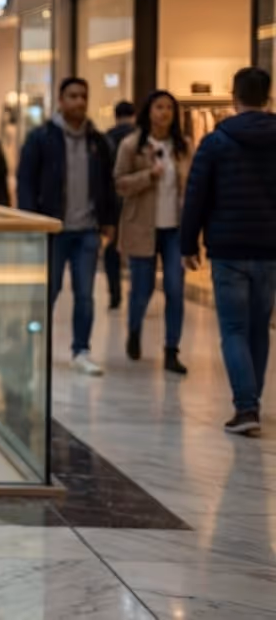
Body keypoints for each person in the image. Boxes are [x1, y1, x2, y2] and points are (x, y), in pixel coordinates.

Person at [181, 67, 276, 437]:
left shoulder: (216, 142)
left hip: (228, 248)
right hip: (269, 248)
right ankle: (253, 403)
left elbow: (196, 195)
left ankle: (246, 406)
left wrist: (188, 244)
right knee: (259, 328)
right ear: (268, 97)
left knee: (234, 328)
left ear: (234, 96)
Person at [18, 76, 117, 376]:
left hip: (87, 230)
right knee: (48, 292)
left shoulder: (97, 141)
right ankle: (32, 349)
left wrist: (109, 220)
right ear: (60, 101)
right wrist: (31, 222)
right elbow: (26, 182)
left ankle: (81, 351)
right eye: (73, 96)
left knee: (85, 294)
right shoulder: (41, 138)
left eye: (83, 96)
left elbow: (107, 185)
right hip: (53, 230)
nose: (79, 101)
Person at [113, 90, 190, 375]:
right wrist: (148, 176)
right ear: (149, 111)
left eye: (169, 107)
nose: (164, 112)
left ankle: (172, 349)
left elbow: (192, 185)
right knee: (142, 290)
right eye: (159, 107)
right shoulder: (131, 145)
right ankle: (134, 330)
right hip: (142, 226)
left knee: (175, 289)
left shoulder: (183, 147)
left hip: (174, 230)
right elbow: (120, 183)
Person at [104, 100, 139, 309]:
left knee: (112, 248)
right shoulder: (141, 137)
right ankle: (137, 292)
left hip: (113, 201)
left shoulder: (106, 137)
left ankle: (114, 292)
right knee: (137, 249)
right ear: (134, 115)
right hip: (136, 199)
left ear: (116, 116)